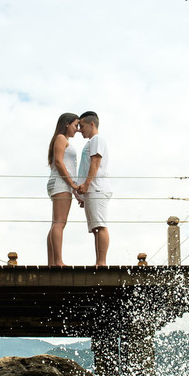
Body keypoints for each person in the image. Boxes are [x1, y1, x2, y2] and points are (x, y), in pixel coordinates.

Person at [74, 110, 111, 266]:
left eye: (81, 126)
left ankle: (101, 262)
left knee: (100, 225)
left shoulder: (97, 140)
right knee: (95, 227)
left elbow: (95, 162)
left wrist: (87, 184)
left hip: (96, 188)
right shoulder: (91, 142)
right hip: (91, 190)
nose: (79, 130)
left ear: (91, 124)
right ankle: (99, 261)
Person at [46, 112, 80, 266]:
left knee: (56, 224)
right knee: (60, 223)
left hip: (60, 183)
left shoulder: (62, 139)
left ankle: (52, 262)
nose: (77, 129)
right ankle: (58, 261)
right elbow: (59, 162)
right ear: (67, 124)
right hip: (61, 183)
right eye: (75, 125)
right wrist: (72, 184)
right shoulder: (61, 138)